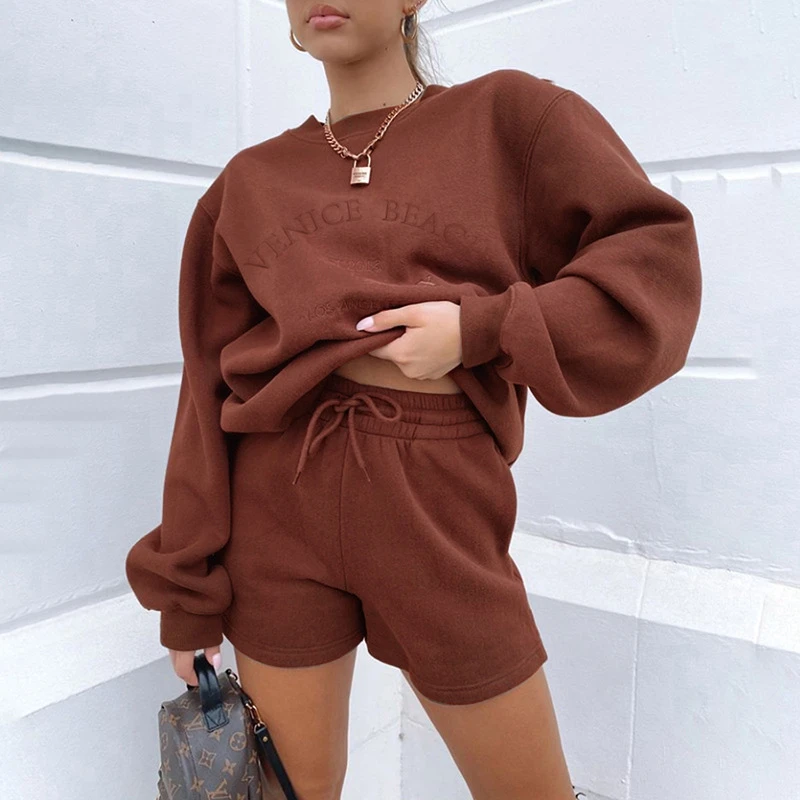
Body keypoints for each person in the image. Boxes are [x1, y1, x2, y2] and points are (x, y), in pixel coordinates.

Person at [125, 1, 703, 797]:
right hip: (275, 502)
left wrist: (482, 329)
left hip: (434, 500)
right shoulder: (247, 184)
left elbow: (655, 260)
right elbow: (205, 388)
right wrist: (186, 594)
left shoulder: (509, 119)